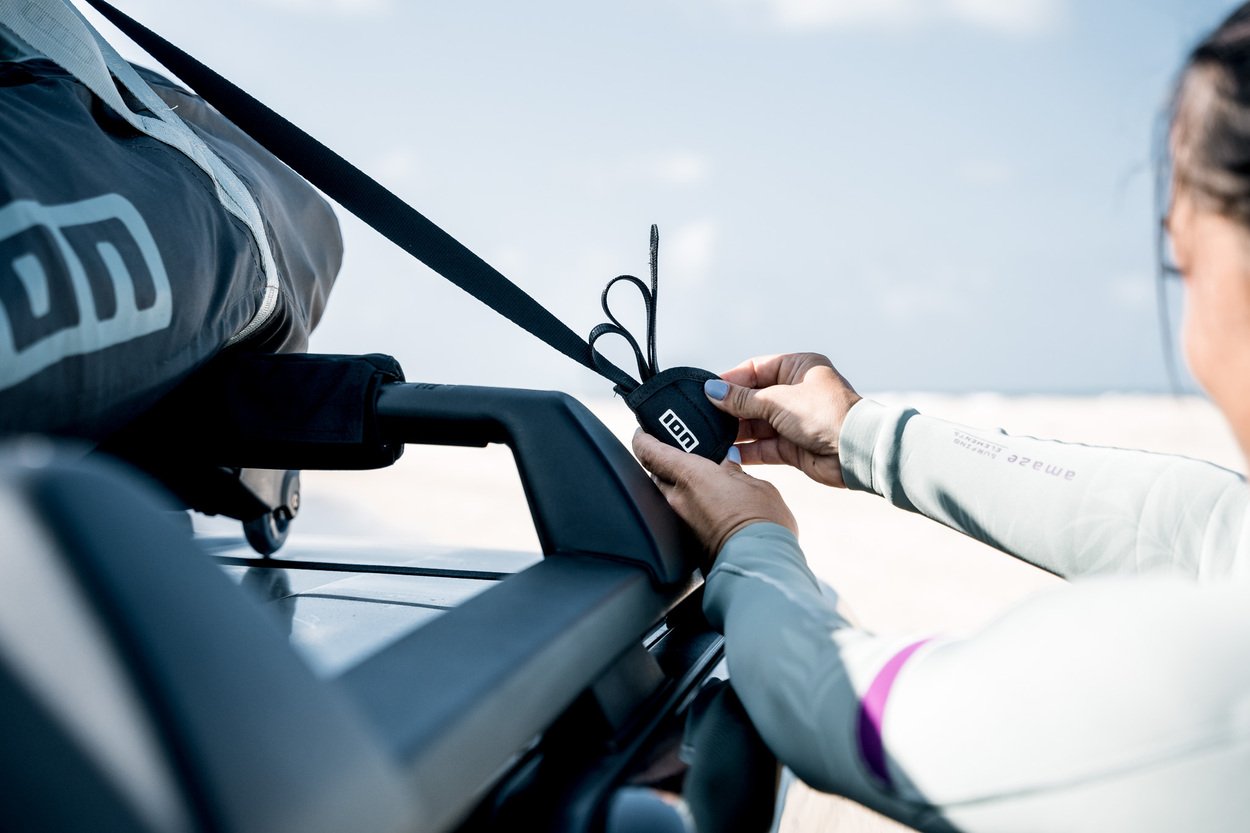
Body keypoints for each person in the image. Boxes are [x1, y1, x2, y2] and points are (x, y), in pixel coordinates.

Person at [633, 6, 1250, 832]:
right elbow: (1206, 528)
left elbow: (844, 708)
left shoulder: (1206, 700)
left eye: (1184, 266)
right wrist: (865, 438)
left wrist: (752, 543)